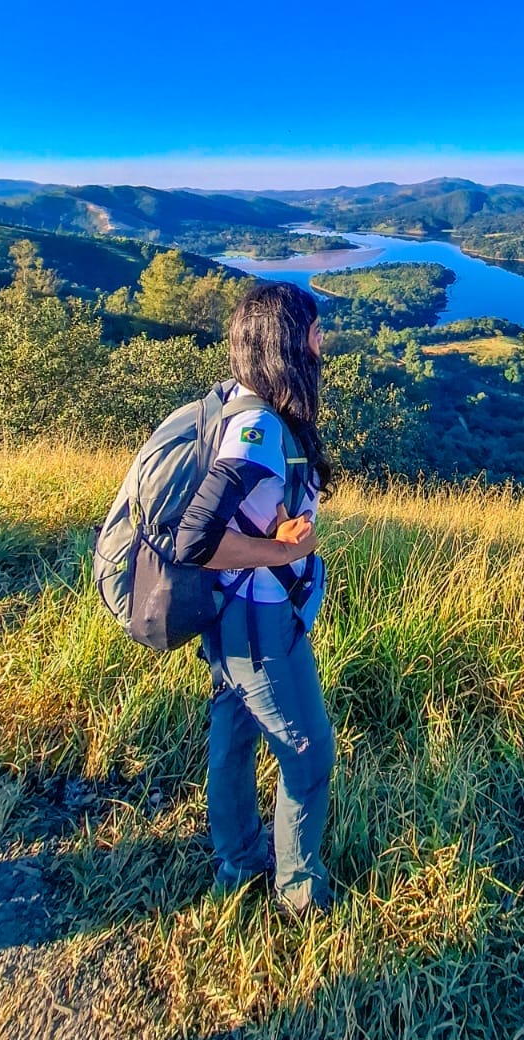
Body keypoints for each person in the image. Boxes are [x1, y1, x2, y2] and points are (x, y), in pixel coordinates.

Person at [175, 281, 335, 915]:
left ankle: (237, 862)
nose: (323, 344)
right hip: (259, 623)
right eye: (315, 333)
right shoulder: (260, 429)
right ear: (287, 345)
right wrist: (285, 554)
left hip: (233, 614)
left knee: (235, 729)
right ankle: (299, 894)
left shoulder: (237, 403)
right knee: (309, 753)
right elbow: (196, 537)